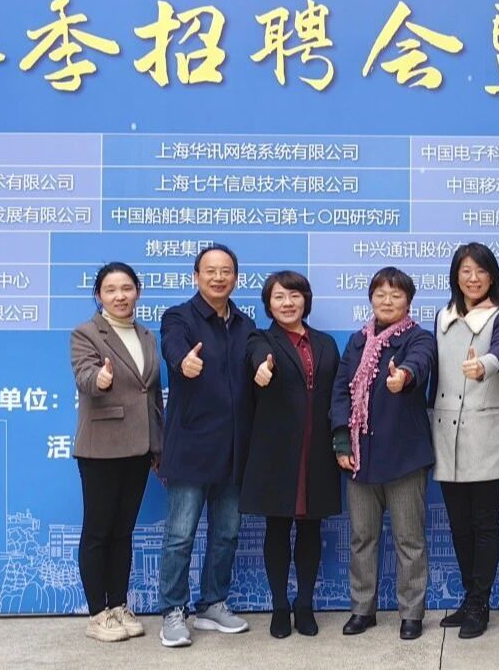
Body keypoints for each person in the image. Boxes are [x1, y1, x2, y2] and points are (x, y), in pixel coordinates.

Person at [156, 244, 255, 647]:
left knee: (227, 533)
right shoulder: (179, 317)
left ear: (236, 278)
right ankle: (172, 610)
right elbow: (172, 346)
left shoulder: (245, 324)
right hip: (192, 446)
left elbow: (257, 358)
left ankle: (212, 603)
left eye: (226, 271)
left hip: (234, 448)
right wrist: (183, 361)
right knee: (181, 534)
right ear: (196, 277)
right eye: (210, 271)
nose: (218, 277)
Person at [330, 267, 436, 641]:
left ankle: (411, 613)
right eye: (380, 294)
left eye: (396, 294)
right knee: (362, 538)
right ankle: (363, 609)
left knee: (409, 540)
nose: (387, 301)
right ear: (371, 298)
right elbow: (340, 390)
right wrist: (342, 441)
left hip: (404, 458)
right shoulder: (357, 342)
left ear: (409, 301)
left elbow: (419, 363)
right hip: (361, 457)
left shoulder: (418, 338)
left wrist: (402, 376)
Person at [240, 271, 341, 638]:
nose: (287, 303)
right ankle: (280, 606)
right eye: (279, 297)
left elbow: (337, 394)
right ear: (269, 304)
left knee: (311, 528)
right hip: (277, 452)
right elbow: (257, 358)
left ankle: (305, 604)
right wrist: (262, 369)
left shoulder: (326, 343)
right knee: (278, 528)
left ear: (306, 300)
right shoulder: (261, 339)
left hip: (317, 450)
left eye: (294, 295)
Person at [431, 243, 499, 639]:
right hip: (445, 431)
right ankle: (469, 597)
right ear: (456, 275)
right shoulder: (442, 317)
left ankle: (480, 604)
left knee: (484, 523)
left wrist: (483, 365)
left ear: (492, 276)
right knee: (458, 524)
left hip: (485, 433)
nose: (473, 278)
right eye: (465, 270)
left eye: (481, 271)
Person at [69, 261, 162, 642]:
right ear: (99, 295)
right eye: (111, 290)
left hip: (139, 448)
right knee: (98, 530)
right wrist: (100, 378)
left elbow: (152, 395)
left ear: (137, 291)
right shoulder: (86, 333)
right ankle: (98, 614)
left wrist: (158, 445)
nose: (120, 296)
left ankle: (119, 605)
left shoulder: (146, 335)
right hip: (101, 448)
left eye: (126, 288)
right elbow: (84, 376)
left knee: (124, 531)